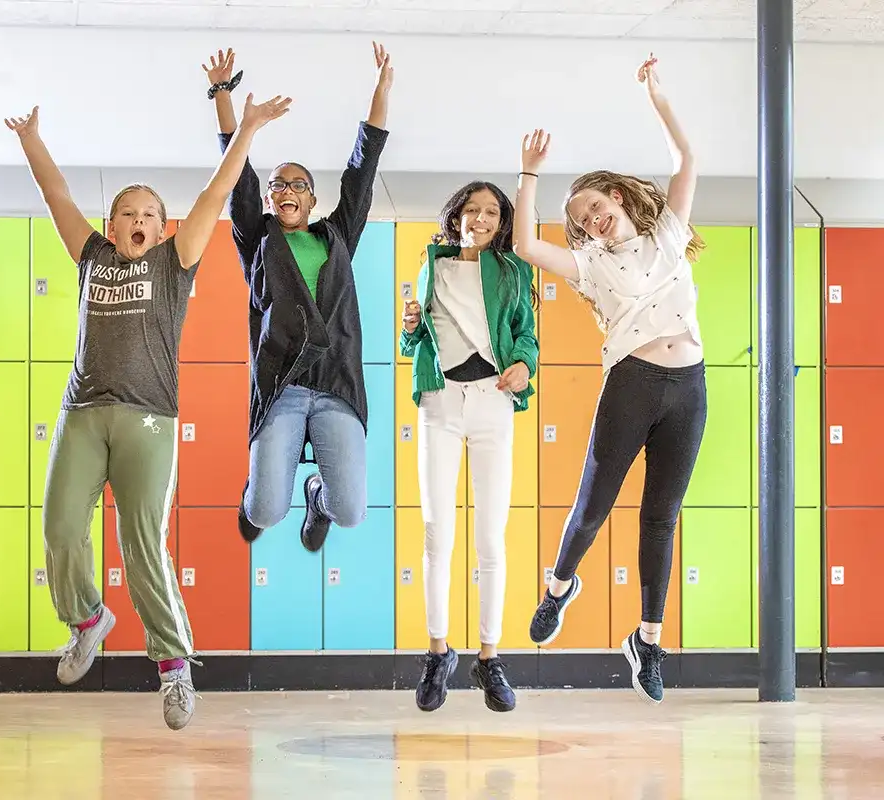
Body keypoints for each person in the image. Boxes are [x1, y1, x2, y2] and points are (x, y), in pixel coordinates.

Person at [4, 88, 292, 731]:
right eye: (126, 213)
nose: (137, 221)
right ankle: (86, 621)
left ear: (161, 227)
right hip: (83, 411)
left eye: (148, 214)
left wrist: (245, 129)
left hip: (148, 420)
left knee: (142, 548)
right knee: (58, 529)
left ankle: (173, 668)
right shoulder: (92, 258)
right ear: (111, 227)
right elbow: (57, 198)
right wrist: (31, 143)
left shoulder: (174, 261)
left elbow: (217, 194)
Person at [513, 54, 706, 705]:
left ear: (616, 198)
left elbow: (686, 159)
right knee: (592, 507)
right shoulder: (587, 265)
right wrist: (530, 176)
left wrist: (658, 95)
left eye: (594, 208)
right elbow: (523, 246)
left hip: (690, 386)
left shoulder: (669, 236)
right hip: (632, 382)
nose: (590, 221)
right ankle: (559, 588)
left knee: (663, 516)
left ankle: (646, 641)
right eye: (580, 220)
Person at [203, 44, 392, 552]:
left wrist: (381, 93)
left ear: (312, 199)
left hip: (336, 383)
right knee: (264, 509)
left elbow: (361, 170)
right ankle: (259, 496)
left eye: (299, 184)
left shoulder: (337, 238)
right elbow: (235, 174)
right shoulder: (258, 237)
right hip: (281, 386)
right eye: (278, 184)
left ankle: (317, 496)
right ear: (269, 199)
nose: (287, 189)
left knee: (350, 512)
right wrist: (224, 96)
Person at [400, 181, 539, 713]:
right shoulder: (431, 264)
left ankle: (489, 658)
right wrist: (409, 326)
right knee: (437, 532)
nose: (479, 219)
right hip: (439, 401)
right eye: (471, 210)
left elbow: (526, 336)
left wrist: (524, 365)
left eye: (490, 212)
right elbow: (412, 340)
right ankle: (438, 653)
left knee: (490, 537)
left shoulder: (512, 271)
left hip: (491, 403)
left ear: (500, 222)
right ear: (455, 215)